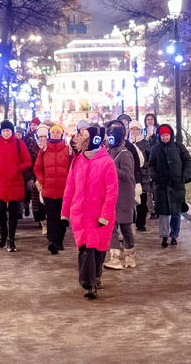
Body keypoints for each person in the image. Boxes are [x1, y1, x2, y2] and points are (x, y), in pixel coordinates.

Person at [62, 125, 118, 300]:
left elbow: (112, 192)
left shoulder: (107, 162)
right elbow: (69, 188)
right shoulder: (77, 161)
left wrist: (105, 215)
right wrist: (64, 213)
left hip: (98, 215)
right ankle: (89, 283)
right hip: (80, 214)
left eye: (86, 135)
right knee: (86, 248)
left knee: (98, 249)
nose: (82, 138)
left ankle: (96, 277)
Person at [0, 119, 32, 251]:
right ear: (0, 131)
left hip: (15, 182)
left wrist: (18, 169)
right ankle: (3, 233)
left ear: (12, 131)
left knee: (14, 213)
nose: (6, 133)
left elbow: (28, 161)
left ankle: (11, 239)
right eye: (3, 131)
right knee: (0, 211)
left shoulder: (19, 143)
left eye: (8, 131)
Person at [149, 123, 191, 247]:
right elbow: (151, 165)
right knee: (163, 212)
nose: (165, 138)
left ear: (170, 135)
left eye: (167, 135)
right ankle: (164, 236)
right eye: (162, 135)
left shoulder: (179, 147)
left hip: (177, 184)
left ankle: (174, 235)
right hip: (162, 185)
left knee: (176, 212)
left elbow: (188, 160)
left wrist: (184, 175)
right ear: (159, 136)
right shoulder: (155, 149)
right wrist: (156, 176)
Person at [103, 120, 138, 270]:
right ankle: (115, 258)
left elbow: (126, 175)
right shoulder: (109, 153)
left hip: (123, 196)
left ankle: (130, 257)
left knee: (126, 228)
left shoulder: (126, 154)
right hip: (111, 197)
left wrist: (110, 166)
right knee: (111, 227)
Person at [34, 123, 71, 254]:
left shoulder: (68, 150)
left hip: (64, 190)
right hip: (48, 189)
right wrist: (42, 180)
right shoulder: (44, 151)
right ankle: (52, 241)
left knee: (62, 216)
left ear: (62, 135)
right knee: (51, 216)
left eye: (58, 132)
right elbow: (37, 168)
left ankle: (59, 241)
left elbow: (74, 169)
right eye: (53, 132)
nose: (55, 134)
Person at [128, 121, 151, 232]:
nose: (135, 131)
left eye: (137, 129)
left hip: (143, 175)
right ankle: (131, 220)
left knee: (142, 200)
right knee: (130, 200)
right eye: (133, 129)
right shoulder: (127, 143)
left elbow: (150, 158)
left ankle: (141, 223)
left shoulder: (145, 143)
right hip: (130, 175)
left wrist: (145, 167)